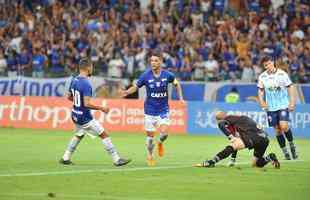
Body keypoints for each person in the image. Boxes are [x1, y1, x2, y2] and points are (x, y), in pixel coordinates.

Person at [59, 58, 131, 167]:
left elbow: (69, 97)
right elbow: (87, 104)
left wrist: (78, 103)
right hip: (84, 117)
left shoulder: (74, 80)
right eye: (92, 67)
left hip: (75, 114)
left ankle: (65, 157)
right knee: (104, 134)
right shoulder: (86, 84)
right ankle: (117, 159)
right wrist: (101, 108)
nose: (92, 69)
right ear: (88, 68)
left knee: (79, 134)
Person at [121, 50, 184, 166]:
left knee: (164, 133)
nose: (153, 63)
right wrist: (126, 92)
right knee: (150, 139)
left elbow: (177, 84)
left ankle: (160, 142)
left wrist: (180, 98)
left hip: (163, 109)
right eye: (151, 61)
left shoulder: (168, 75)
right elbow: (136, 87)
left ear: (160, 62)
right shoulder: (145, 75)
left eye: (155, 60)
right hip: (149, 111)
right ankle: (150, 155)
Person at [195, 111, 280, 169]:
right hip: (264, 138)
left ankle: (211, 162)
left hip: (252, 136)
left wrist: (230, 137)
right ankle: (270, 157)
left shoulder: (228, 119)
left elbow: (221, 125)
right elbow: (238, 140)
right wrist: (233, 159)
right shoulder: (238, 119)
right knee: (255, 164)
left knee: (233, 145)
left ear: (220, 119)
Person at [257, 56, 298, 160]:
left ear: (273, 63)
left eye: (269, 64)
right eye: (265, 65)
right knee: (277, 130)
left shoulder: (282, 74)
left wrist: (292, 102)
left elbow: (290, 87)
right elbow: (261, 90)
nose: (267, 66)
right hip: (270, 107)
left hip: (283, 105)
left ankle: (292, 145)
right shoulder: (262, 76)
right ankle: (285, 152)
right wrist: (261, 101)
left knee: (284, 126)